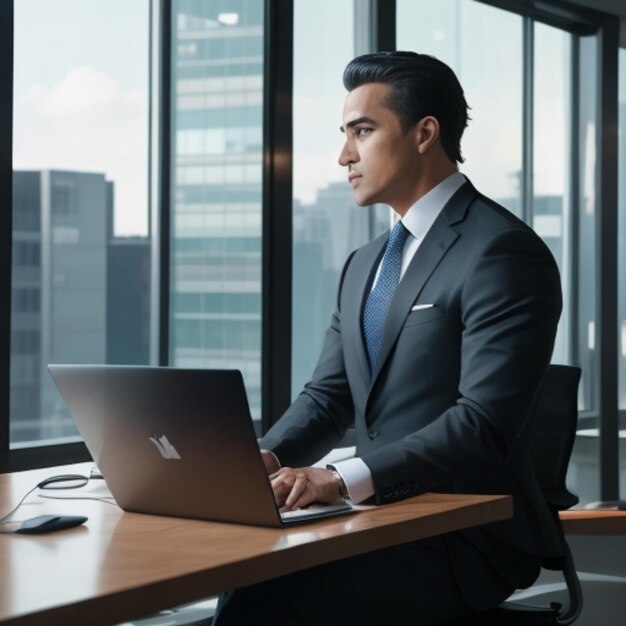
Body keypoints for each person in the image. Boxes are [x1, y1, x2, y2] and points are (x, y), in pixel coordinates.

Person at [213, 51, 563, 625]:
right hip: (378, 516)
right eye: (345, 134)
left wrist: (337, 478)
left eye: (363, 131)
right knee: (244, 575)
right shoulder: (364, 263)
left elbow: (483, 424)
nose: (344, 155)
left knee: (264, 598)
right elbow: (329, 399)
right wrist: (264, 460)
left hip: (461, 530)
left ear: (426, 133)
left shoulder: (501, 251)